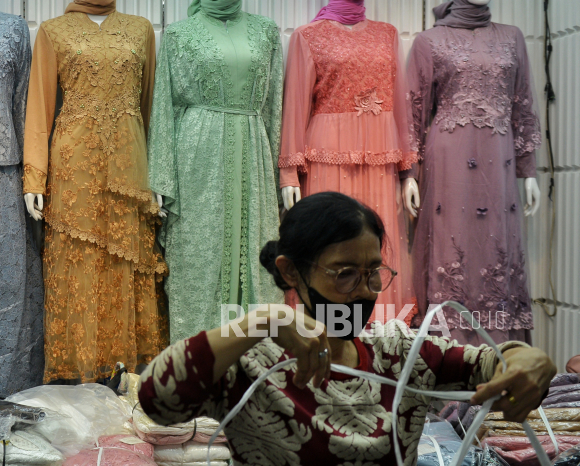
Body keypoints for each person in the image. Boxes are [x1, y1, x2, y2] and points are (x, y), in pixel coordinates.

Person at [138, 192, 556, 465]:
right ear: (292, 272)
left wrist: (531, 361)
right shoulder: (250, 364)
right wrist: (261, 321)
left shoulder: (400, 353)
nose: (363, 292)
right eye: (343, 275)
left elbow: (496, 363)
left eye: (373, 272)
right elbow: (158, 400)